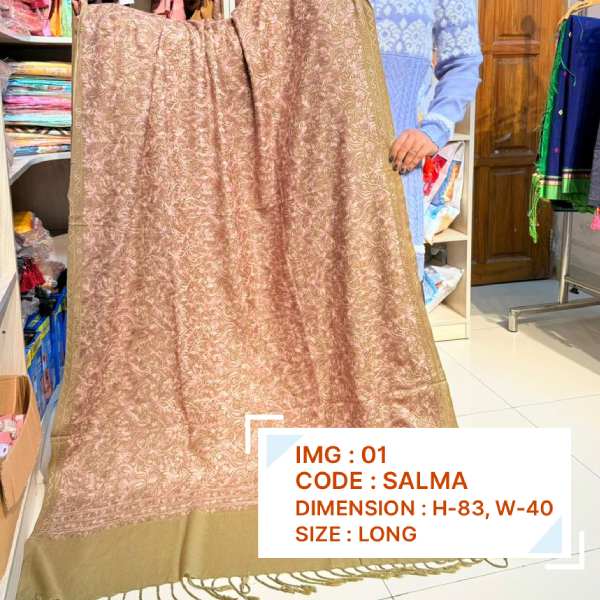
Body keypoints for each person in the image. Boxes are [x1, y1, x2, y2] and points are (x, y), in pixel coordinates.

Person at [373, 0, 482, 278]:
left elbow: (463, 62)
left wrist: (435, 128)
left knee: (391, 281)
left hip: (393, 162)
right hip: (310, 164)